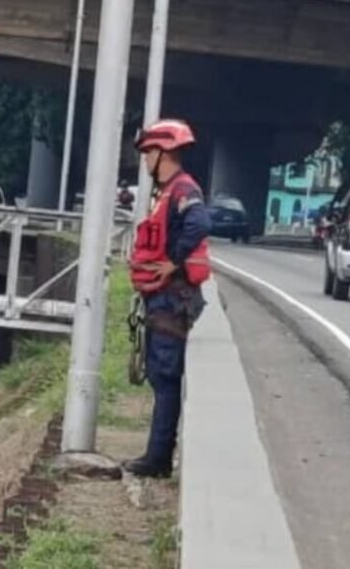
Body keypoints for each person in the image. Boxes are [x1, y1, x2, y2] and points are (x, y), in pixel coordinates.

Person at [124, 119, 212, 478]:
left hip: (172, 298)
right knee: (161, 376)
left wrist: (173, 263)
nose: (145, 161)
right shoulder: (169, 191)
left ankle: (157, 459)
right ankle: (156, 455)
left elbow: (200, 224)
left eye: (148, 153)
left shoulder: (183, 190)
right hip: (162, 298)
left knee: (165, 377)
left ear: (163, 153)